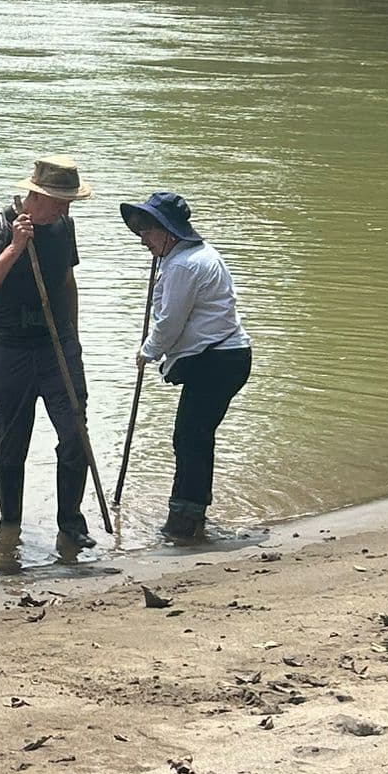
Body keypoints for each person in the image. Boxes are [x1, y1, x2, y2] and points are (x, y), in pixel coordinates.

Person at [0, 156, 99, 550]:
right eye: (60, 200)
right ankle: (9, 527)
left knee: (76, 434)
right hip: (9, 348)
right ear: (37, 194)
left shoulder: (64, 226)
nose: (65, 208)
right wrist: (16, 246)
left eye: (68, 201)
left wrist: (73, 340)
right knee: (11, 445)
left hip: (57, 346)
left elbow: (67, 282)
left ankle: (71, 523)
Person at [121, 191, 252, 541]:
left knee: (189, 437)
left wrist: (146, 352)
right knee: (194, 437)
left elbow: (169, 324)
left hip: (218, 359)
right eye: (141, 232)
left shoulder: (182, 264)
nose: (143, 239)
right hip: (224, 357)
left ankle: (184, 520)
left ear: (168, 231)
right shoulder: (188, 256)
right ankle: (190, 515)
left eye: (148, 231)